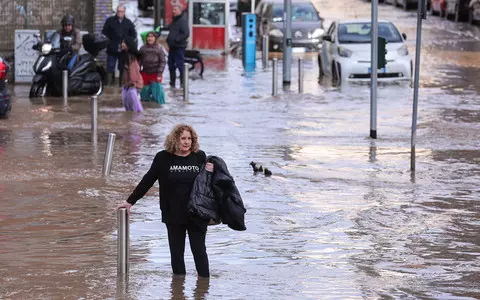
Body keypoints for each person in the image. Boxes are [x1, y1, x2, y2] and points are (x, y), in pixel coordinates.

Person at [117, 124, 214, 278]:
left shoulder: (200, 157)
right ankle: (178, 290)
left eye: (189, 138)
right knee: (176, 254)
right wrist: (130, 201)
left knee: (199, 252)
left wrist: (211, 173)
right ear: (175, 139)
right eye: (183, 138)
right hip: (173, 213)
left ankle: (203, 289)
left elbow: (210, 185)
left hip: (197, 213)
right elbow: (147, 180)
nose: (186, 142)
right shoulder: (163, 158)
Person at [102, 4, 137, 86]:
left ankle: (121, 85)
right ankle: (109, 84)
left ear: (124, 12)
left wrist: (127, 44)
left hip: (123, 50)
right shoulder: (110, 21)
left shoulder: (128, 23)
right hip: (112, 48)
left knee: (122, 67)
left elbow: (133, 35)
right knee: (110, 66)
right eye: (118, 11)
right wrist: (108, 43)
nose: (120, 13)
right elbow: (104, 34)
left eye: (121, 11)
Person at [138, 31, 166, 104]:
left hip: (156, 73)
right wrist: (138, 72)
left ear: (155, 38)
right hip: (145, 72)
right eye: (148, 37)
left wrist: (159, 73)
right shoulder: (142, 48)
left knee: (156, 93)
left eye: (152, 37)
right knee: (144, 93)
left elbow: (163, 61)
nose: (150, 38)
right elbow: (139, 61)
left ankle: (157, 109)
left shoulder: (159, 48)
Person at [166, 4, 189, 88]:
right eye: (173, 9)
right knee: (171, 65)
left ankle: (182, 84)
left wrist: (176, 39)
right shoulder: (175, 19)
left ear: (180, 10)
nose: (173, 11)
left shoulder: (182, 20)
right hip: (172, 47)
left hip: (179, 47)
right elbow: (172, 29)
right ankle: (172, 83)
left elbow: (186, 33)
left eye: (175, 10)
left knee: (180, 65)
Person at [121, 37, 143, 112]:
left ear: (128, 45)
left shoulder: (131, 58)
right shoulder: (126, 55)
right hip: (129, 85)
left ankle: (136, 121)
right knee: (129, 107)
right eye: (122, 42)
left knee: (135, 109)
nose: (122, 44)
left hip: (133, 85)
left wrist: (131, 83)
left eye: (124, 43)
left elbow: (134, 72)